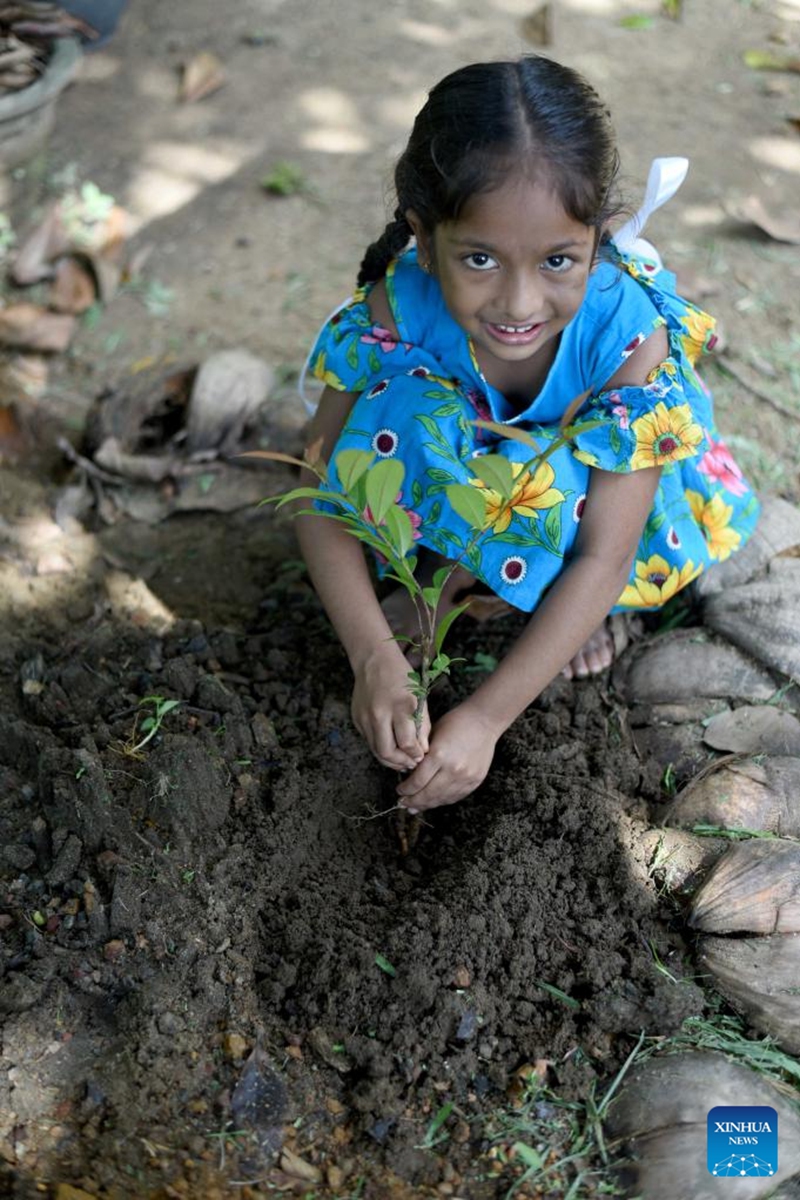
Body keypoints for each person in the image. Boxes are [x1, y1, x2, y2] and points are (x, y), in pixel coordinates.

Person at [295, 55, 759, 815]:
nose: (518, 301)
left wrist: (484, 718)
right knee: (402, 407)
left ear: (597, 238)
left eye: (557, 260)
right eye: (478, 258)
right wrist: (372, 654)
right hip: (486, 476)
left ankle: (562, 610)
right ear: (422, 234)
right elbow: (314, 486)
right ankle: (447, 579)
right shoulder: (398, 309)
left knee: (557, 492)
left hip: (597, 512)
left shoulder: (624, 338)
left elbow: (608, 550)